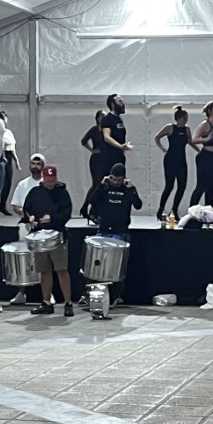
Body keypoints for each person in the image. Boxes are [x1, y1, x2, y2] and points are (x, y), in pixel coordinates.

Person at [23, 164, 74, 317]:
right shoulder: (35, 192)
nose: (50, 183)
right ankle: (46, 302)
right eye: (47, 180)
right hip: (39, 235)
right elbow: (27, 209)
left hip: (57, 235)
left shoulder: (62, 193)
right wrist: (30, 217)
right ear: (43, 178)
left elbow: (66, 214)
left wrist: (52, 218)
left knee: (61, 269)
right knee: (44, 270)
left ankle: (68, 302)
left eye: (52, 180)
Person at [89, 163, 142, 305]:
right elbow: (92, 200)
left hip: (120, 231)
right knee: (99, 263)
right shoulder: (105, 188)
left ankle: (117, 295)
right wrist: (101, 185)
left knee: (117, 266)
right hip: (104, 230)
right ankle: (96, 294)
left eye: (119, 180)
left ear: (124, 178)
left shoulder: (127, 189)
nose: (116, 182)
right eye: (113, 179)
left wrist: (132, 189)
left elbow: (138, 205)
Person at [9, 153, 48, 305]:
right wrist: (28, 215)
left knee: (45, 260)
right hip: (26, 226)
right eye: (33, 163)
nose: (35, 167)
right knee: (24, 258)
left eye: (38, 164)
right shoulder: (23, 184)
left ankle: (47, 294)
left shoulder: (48, 183)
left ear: (43, 166)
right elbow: (16, 206)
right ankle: (21, 292)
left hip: (45, 227)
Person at [154, 105, 199, 221]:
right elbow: (157, 137)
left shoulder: (186, 129)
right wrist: (163, 149)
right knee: (169, 186)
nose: (186, 120)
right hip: (170, 160)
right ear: (179, 118)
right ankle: (160, 209)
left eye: (187, 118)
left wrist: (199, 150)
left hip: (181, 160)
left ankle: (174, 209)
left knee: (182, 186)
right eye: (185, 118)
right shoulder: (170, 128)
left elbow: (189, 141)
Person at [189, 101, 213, 208]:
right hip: (206, 158)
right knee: (201, 186)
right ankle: (192, 210)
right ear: (209, 111)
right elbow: (193, 139)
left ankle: (208, 212)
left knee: (211, 187)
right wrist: (206, 139)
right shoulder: (205, 125)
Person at [79, 110, 106, 219]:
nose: (103, 118)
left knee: (101, 184)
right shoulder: (94, 130)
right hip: (96, 160)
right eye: (102, 116)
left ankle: (89, 207)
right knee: (96, 184)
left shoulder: (108, 130)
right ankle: (87, 206)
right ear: (97, 118)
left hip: (106, 159)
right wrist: (92, 150)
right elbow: (83, 141)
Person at [101, 94, 132, 177]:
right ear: (113, 104)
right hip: (109, 158)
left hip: (119, 157)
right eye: (120, 101)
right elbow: (106, 137)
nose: (122, 103)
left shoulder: (119, 119)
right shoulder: (107, 119)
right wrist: (120, 146)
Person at [0, 111, 21, 215]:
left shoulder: (8, 132)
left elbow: (12, 147)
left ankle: (2, 205)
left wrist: (17, 161)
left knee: (7, 182)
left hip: (9, 156)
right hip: (0, 156)